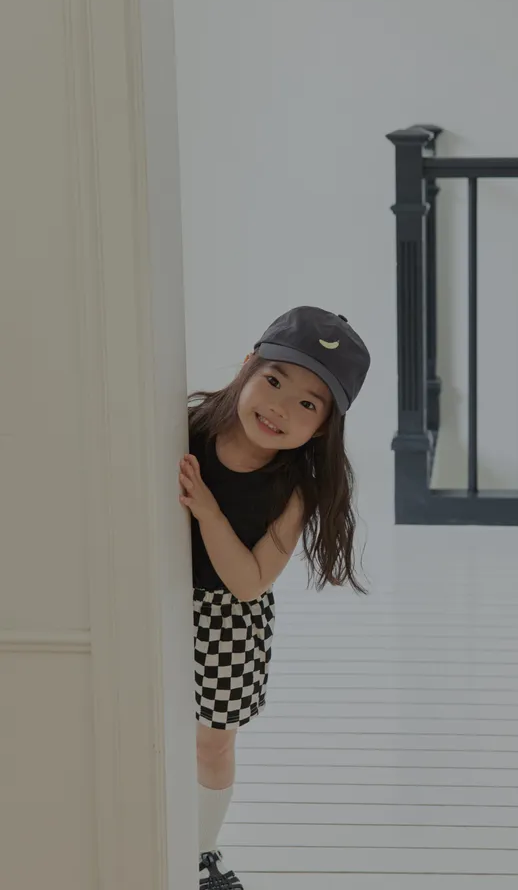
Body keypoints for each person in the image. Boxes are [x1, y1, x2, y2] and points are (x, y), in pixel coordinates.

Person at [179, 305, 370, 889]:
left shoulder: (297, 489)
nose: (279, 408)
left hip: (229, 621)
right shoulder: (184, 429)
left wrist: (208, 512)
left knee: (212, 744)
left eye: (308, 404)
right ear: (248, 365)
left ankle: (200, 855)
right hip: (158, 603)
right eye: (274, 380)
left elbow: (248, 583)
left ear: (324, 426)